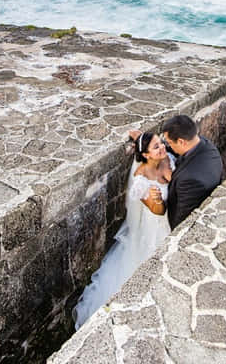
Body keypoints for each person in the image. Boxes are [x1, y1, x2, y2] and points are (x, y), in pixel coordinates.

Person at [72, 131, 174, 329]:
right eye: (156, 147)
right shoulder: (141, 181)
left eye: (161, 143)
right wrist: (159, 201)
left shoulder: (166, 158)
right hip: (154, 226)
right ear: (145, 155)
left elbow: (148, 141)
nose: (162, 147)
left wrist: (139, 136)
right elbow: (158, 211)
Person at [161, 114, 223, 230]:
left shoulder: (191, 180)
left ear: (181, 142)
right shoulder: (205, 144)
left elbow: (181, 221)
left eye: (169, 142)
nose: (168, 145)